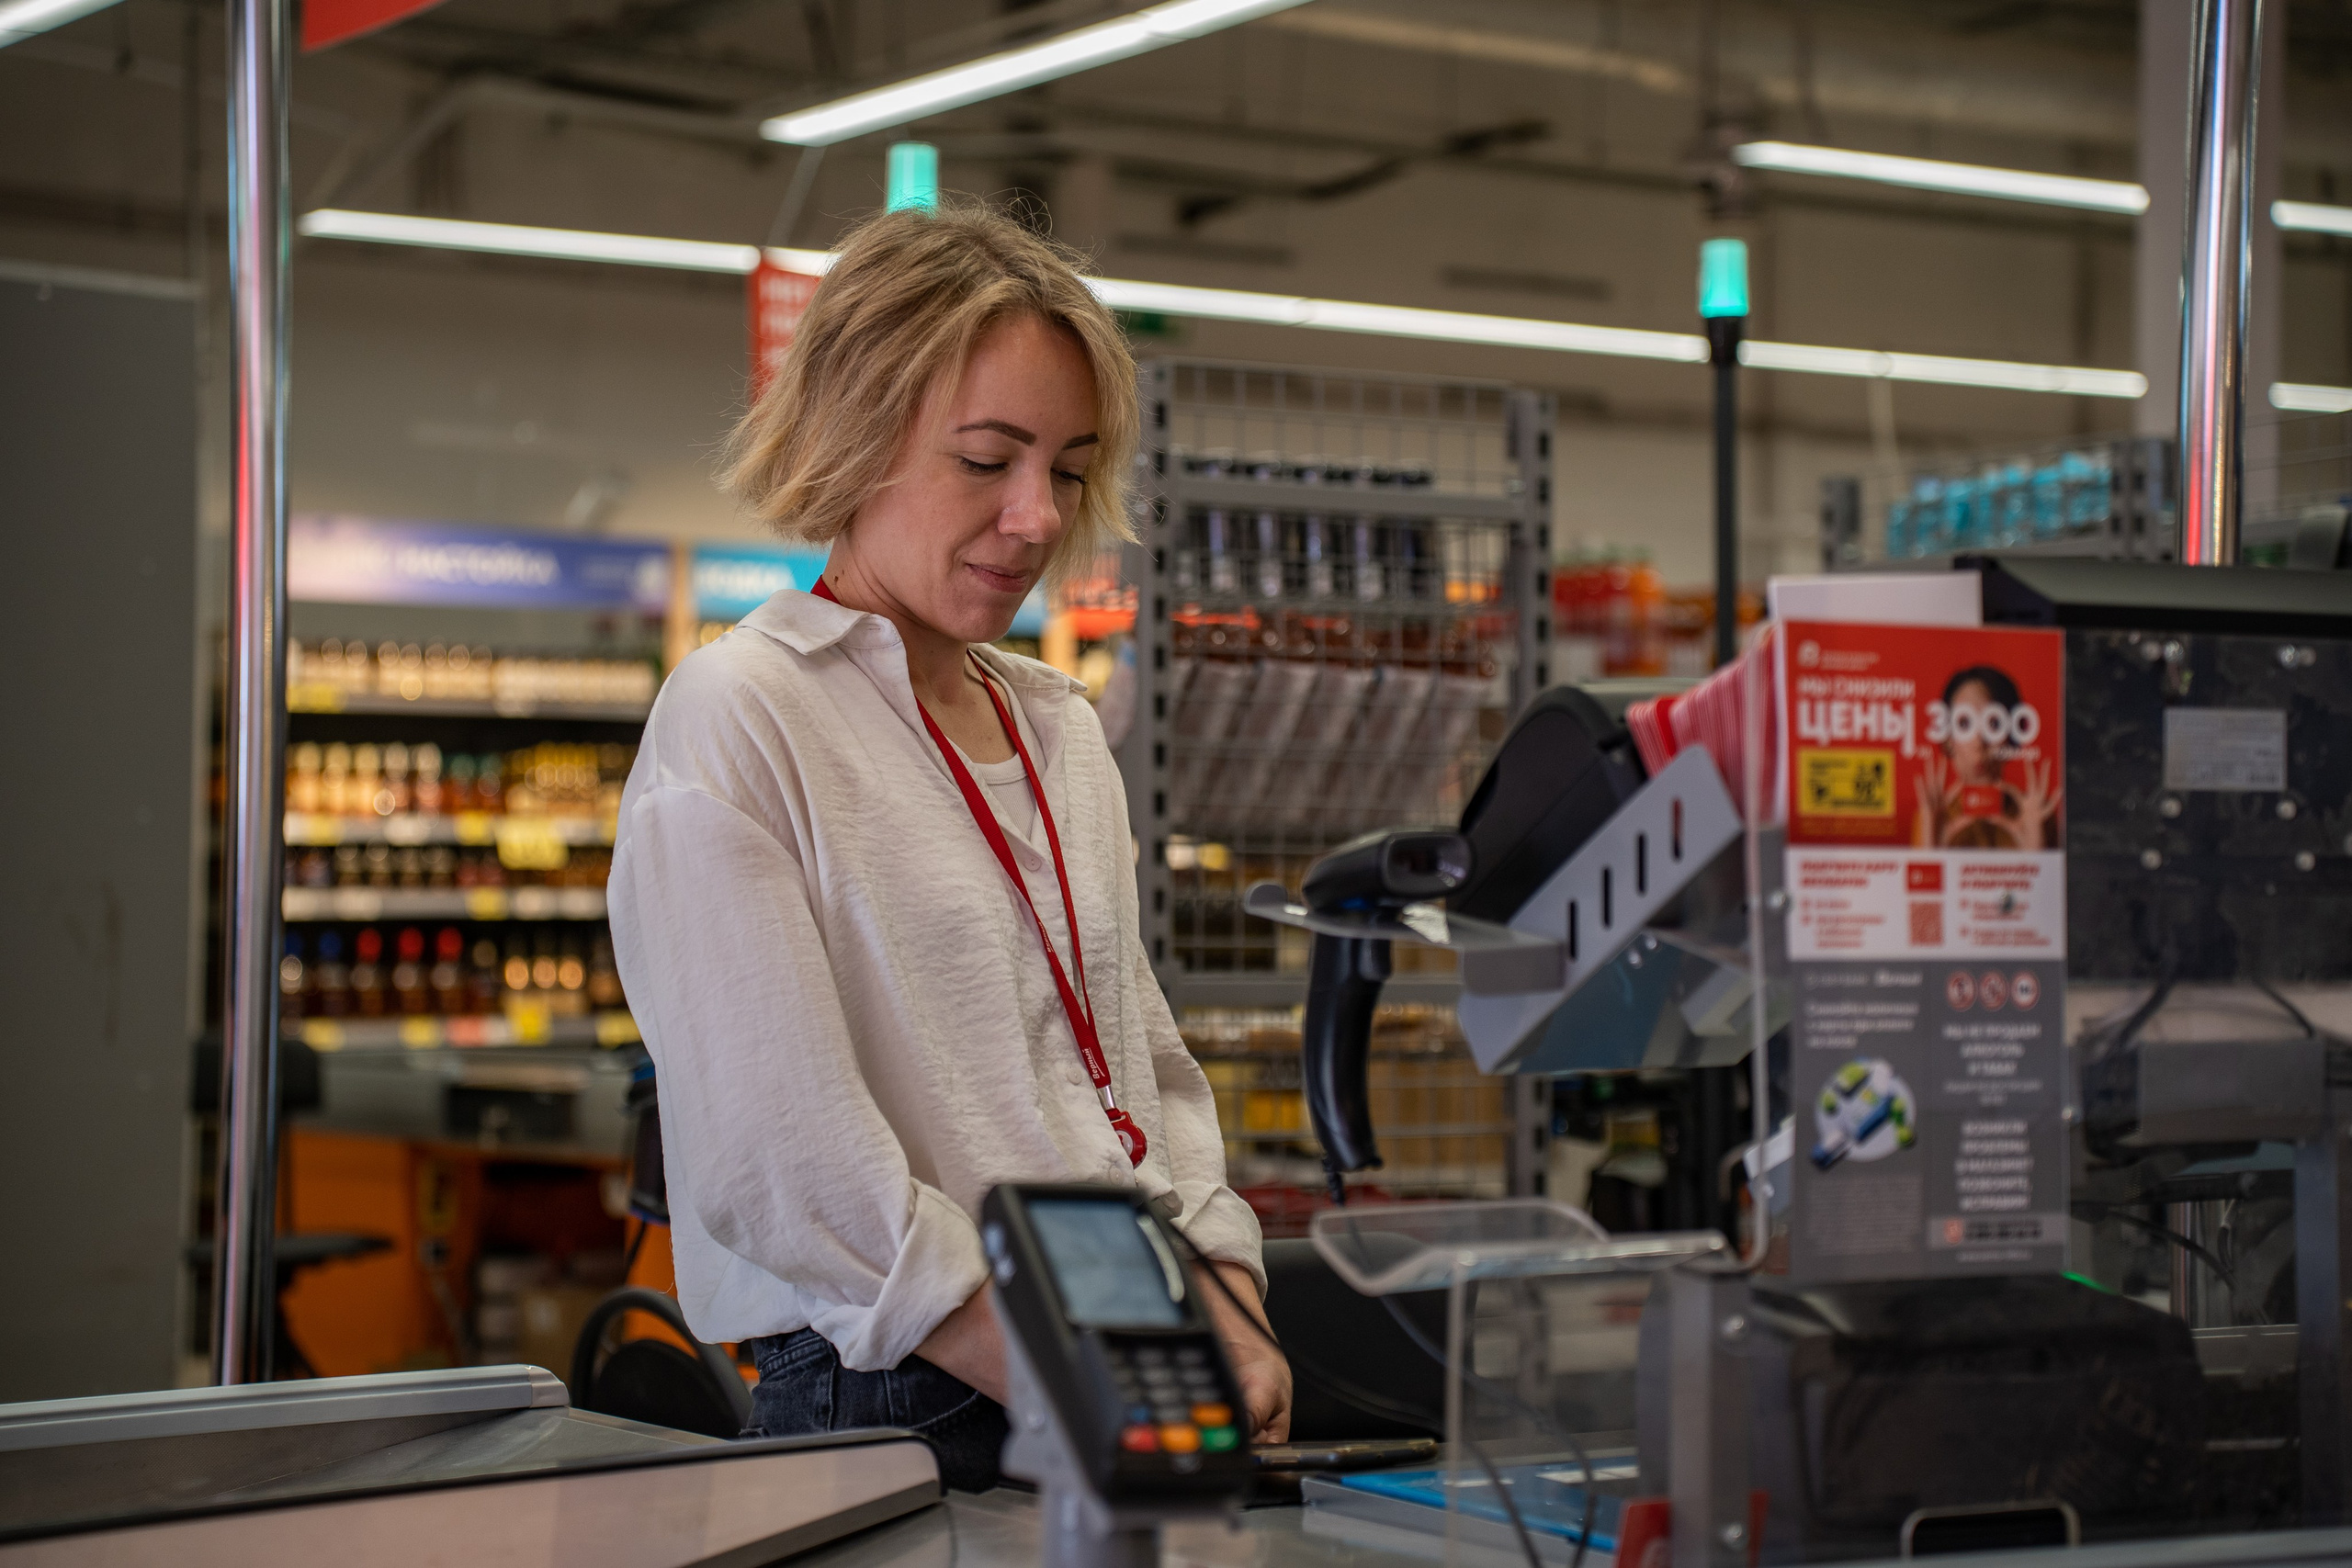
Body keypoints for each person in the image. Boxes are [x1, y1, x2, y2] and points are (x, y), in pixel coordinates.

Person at [607, 199, 1290, 1492]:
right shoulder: (744, 716)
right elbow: (779, 1153)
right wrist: (1059, 1372)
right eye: (988, 458)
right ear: (855, 436)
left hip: (1127, 1356)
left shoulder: (1057, 727)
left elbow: (1145, 1068)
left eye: (1072, 467)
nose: (1038, 516)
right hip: (899, 1389)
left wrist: (1230, 1289)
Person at [1912, 664, 2062, 851]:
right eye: (1964, 723)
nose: (1979, 742)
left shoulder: (2037, 815)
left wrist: (2035, 853)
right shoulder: (1931, 817)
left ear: (2012, 735)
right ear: (1948, 738)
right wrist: (1930, 853)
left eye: (1994, 723)